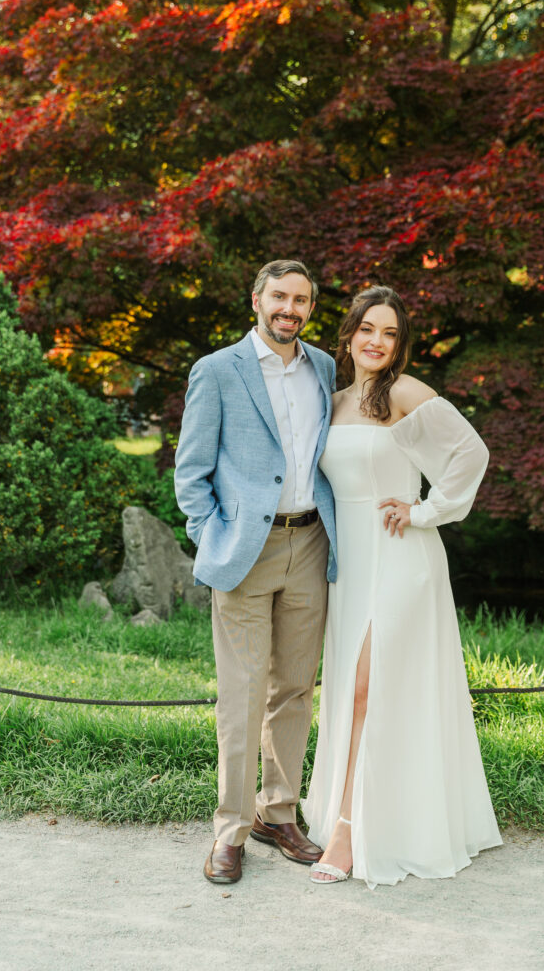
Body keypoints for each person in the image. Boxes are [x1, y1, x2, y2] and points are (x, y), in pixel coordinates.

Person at [303, 285, 502, 888]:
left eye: (390, 333)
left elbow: (472, 453)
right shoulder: (332, 402)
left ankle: (348, 828)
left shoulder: (406, 394)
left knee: (369, 687)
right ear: (349, 334)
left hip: (401, 555)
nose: (377, 342)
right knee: (350, 690)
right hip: (351, 565)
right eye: (368, 329)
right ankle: (376, 814)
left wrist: (423, 510)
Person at [174, 259, 337, 885]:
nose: (288, 308)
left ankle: (278, 814)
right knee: (241, 696)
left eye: (299, 299)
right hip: (245, 551)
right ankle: (230, 830)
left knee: (294, 688)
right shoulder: (217, 371)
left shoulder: (323, 367)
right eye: (278, 297)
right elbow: (190, 473)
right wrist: (209, 535)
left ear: (310, 307)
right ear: (256, 300)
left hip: (312, 544)